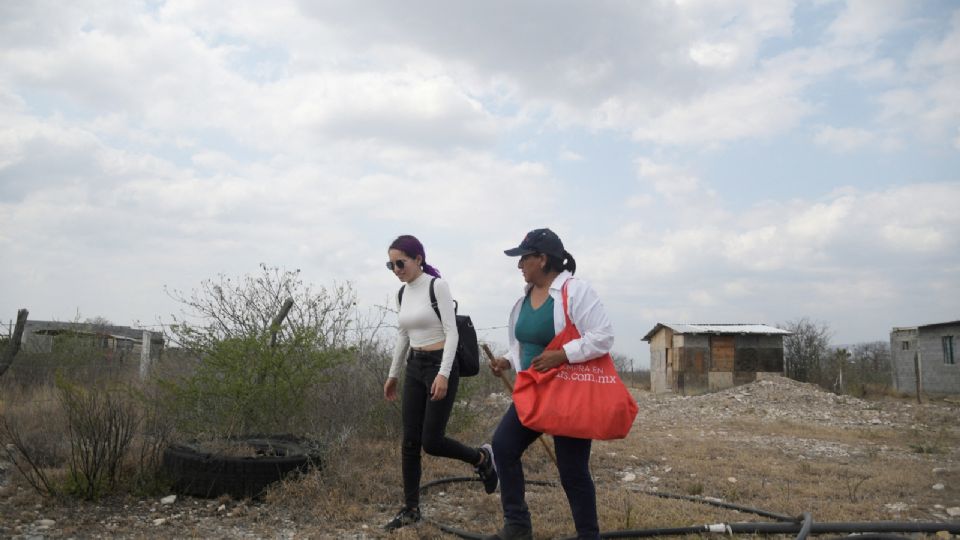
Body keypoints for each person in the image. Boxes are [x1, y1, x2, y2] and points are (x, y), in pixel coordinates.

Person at [485, 228, 614, 540]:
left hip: (565, 393)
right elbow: (525, 345)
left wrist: (563, 355)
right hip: (532, 392)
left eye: (524, 259)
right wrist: (507, 360)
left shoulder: (575, 291)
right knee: (503, 447)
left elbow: (603, 336)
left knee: (572, 471)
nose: (519, 266)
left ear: (542, 259)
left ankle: (588, 535)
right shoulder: (524, 299)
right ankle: (517, 527)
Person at [382, 234, 498, 531]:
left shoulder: (437, 286)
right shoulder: (401, 294)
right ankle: (410, 509)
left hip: (439, 364)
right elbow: (403, 335)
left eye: (400, 262)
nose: (396, 269)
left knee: (432, 442)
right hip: (415, 367)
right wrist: (393, 374)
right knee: (409, 441)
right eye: (391, 264)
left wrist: (444, 373)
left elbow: (452, 332)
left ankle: (482, 458)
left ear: (418, 259)